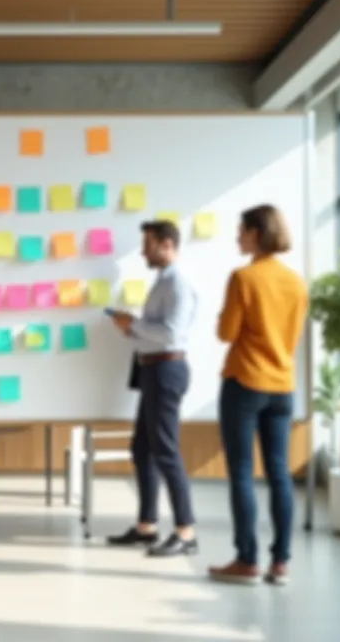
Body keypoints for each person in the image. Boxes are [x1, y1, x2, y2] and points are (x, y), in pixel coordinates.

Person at [208, 204, 308, 586]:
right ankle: (280, 561)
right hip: (283, 385)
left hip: (245, 382)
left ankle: (247, 560)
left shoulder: (244, 278)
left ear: (256, 233)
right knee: (280, 473)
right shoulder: (296, 282)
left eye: (241, 230)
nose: (237, 237)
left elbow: (226, 333)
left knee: (242, 473)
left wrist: (225, 316)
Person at [105, 220, 200, 558]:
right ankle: (147, 526)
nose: (143, 251)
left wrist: (135, 325)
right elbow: (154, 331)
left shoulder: (178, 283)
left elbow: (171, 333)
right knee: (143, 447)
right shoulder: (162, 282)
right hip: (152, 369)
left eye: (148, 244)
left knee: (166, 451)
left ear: (166, 244)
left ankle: (186, 532)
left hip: (166, 370)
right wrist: (130, 329)